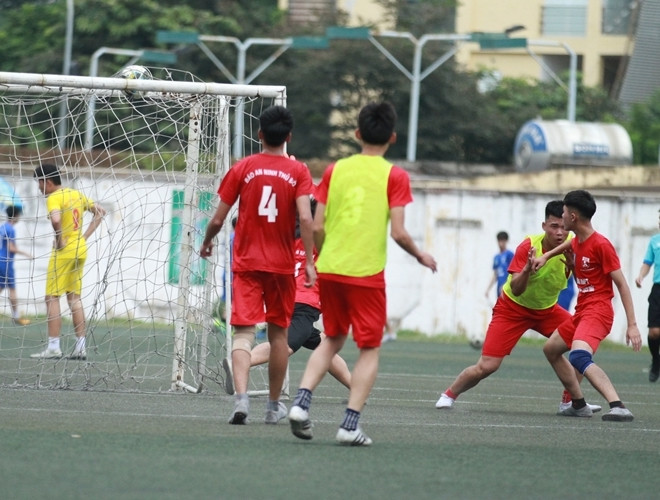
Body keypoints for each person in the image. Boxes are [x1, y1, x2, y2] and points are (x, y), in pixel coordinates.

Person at [288, 102, 437, 446]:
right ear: (393, 137)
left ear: (357, 134)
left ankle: (300, 402)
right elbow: (398, 232)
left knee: (331, 338)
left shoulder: (335, 170)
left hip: (330, 269)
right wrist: (420, 255)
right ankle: (349, 424)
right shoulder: (395, 176)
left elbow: (318, 225)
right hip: (366, 274)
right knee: (369, 348)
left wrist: (320, 259)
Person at [199, 105, 316, 426]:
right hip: (282, 266)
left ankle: (241, 400)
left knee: (243, 334)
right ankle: (273, 406)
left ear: (259, 134)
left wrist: (207, 241)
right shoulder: (299, 171)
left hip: (247, 263)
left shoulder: (244, 167)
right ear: (289, 137)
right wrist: (309, 261)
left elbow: (219, 218)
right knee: (279, 336)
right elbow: (306, 218)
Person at [435, 201, 600, 414]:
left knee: (582, 345)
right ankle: (448, 395)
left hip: (547, 311)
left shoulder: (573, 246)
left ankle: (571, 402)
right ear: (544, 226)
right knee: (487, 366)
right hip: (513, 310)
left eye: (563, 227)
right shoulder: (528, 247)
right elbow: (517, 289)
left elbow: (584, 282)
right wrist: (527, 270)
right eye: (553, 226)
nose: (559, 232)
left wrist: (573, 267)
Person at [533, 190, 642, 421]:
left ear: (573, 217)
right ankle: (578, 404)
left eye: (563, 213)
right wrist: (545, 257)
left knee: (579, 357)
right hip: (581, 312)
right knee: (550, 349)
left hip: (598, 312)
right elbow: (568, 246)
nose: (561, 217)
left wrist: (632, 325)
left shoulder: (601, 245)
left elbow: (622, 285)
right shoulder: (577, 241)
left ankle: (618, 405)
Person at [248, 197, 352, 389]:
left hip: (281, 298)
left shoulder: (292, 238)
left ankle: (355, 388)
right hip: (303, 303)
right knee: (283, 347)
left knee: (325, 347)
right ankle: (240, 362)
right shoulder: (323, 240)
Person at [31, 164, 106, 360]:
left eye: (39, 183)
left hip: (64, 252)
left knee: (52, 297)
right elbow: (100, 212)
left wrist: (59, 239)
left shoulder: (54, 197)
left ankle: (54, 347)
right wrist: (84, 237)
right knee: (74, 298)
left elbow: (56, 220)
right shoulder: (76, 194)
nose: (38, 187)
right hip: (80, 249)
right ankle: (80, 347)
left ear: (47, 182)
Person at [634, 209, 660, 382]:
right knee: (654, 333)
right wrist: (641, 276)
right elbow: (647, 263)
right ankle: (656, 361)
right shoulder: (654, 241)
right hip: (658, 290)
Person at [0, 205, 33, 325]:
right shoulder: (11, 229)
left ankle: (15, 315)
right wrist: (27, 254)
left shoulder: (2, 227)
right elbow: (11, 248)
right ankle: (16, 316)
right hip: (6, 262)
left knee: (1, 287)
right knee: (12, 289)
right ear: (16, 215)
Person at [485, 231, 514, 300]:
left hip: (508, 290)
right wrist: (488, 289)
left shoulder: (510, 254)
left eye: (503, 241)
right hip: (499, 289)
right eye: (499, 240)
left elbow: (514, 272)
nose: (501, 243)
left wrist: (506, 285)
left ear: (506, 241)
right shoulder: (496, 257)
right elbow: (495, 275)